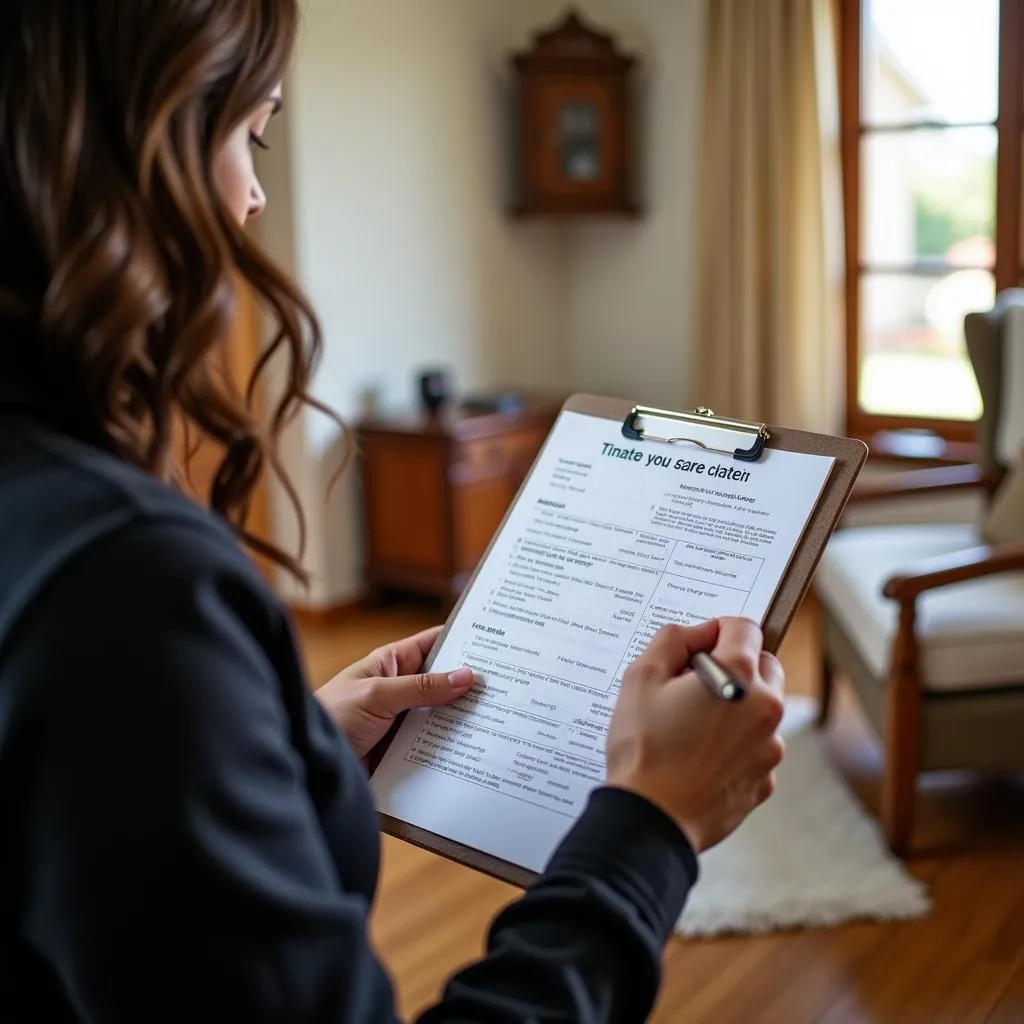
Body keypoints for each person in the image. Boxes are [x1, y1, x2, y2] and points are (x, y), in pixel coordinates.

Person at [0, 2, 786, 1021]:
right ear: (126, 149)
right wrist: (650, 821)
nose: (253, 192)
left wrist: (293, 735)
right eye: (252, 132)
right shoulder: (123, 585)